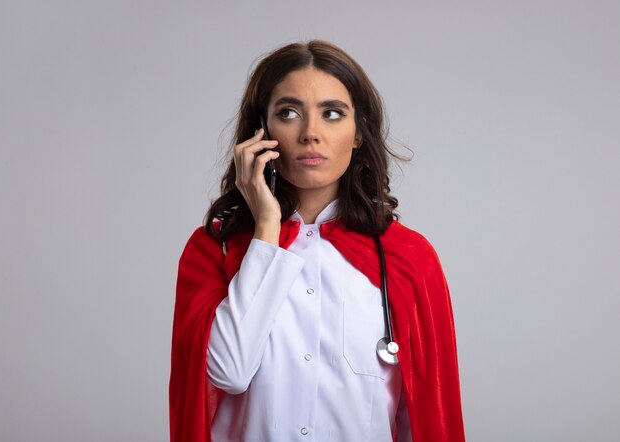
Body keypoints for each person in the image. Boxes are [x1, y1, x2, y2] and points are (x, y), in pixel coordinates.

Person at [170, 40, 465, 442]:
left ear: (358, 133)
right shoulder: (214, 250)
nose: (310, 133)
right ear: (262, 131)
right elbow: (229, 373)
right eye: (288, 113)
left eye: (332, 114)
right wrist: (267, 227)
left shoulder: (408, 258)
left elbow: (423, 418)